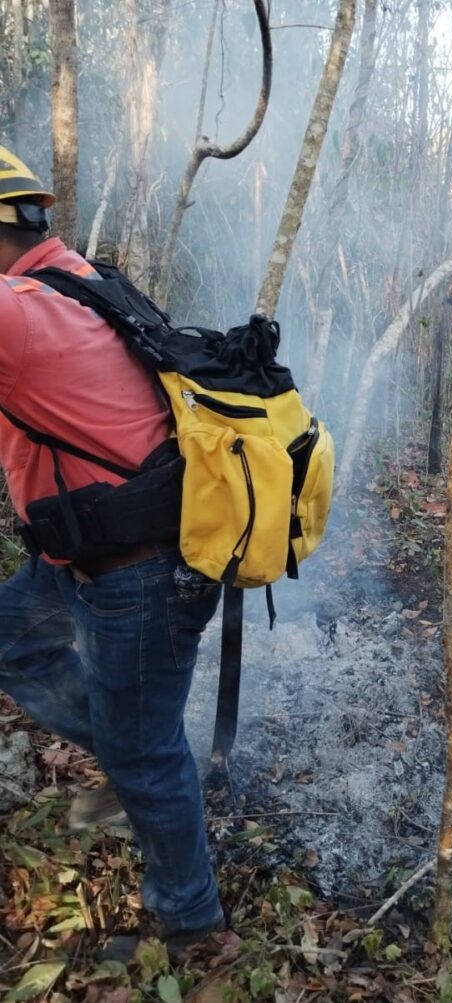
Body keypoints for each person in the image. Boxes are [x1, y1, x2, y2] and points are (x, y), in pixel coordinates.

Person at [0, 146, 225, 951]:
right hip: (83, 559)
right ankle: (137, 755)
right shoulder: (77, 278)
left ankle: (194, 925)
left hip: (140, 576)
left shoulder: (17, 309)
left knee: (146, 752)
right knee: (13, 642)